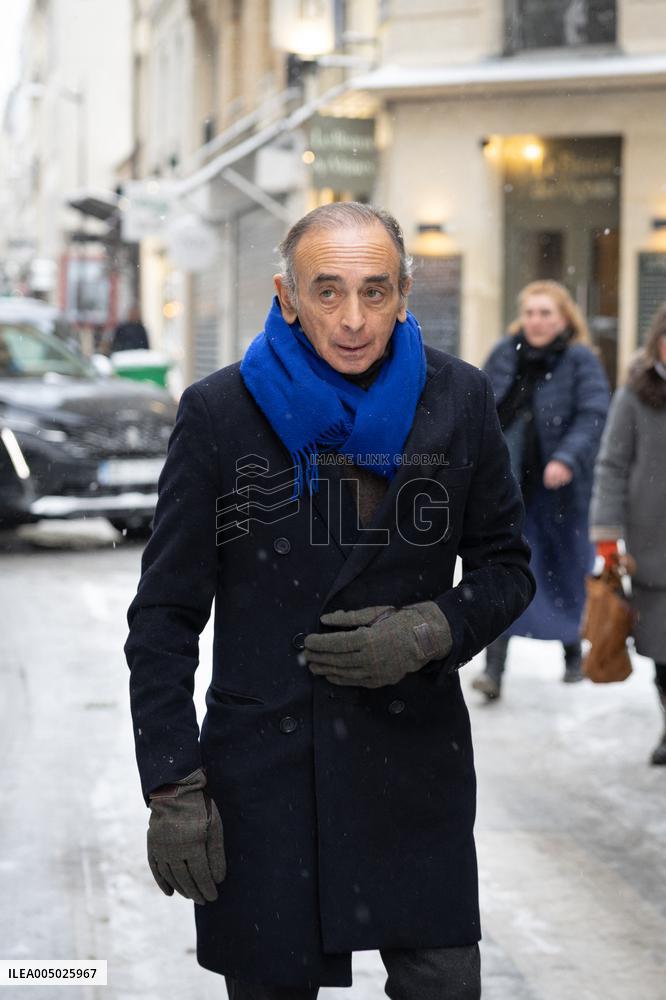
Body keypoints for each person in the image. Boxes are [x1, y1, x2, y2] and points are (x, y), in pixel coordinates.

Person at [124, 202, 535, 998]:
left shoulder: (458, 400)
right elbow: (165, 616)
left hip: (413, 767)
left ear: (405, 293)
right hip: (266, 777)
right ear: (287, 297)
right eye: (328, 291)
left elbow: (506, 567)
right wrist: (173, 783)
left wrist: (432, 629)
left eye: (375, 292)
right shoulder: (219, 414)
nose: (353, 319)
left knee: (445, 984)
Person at [472, 280, 609, 701]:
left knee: (564, 569)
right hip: (510, 486)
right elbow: (478, 405)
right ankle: (494, 671)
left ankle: (571, 654)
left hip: (562, 491)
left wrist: (566, 457)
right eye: (530, 312)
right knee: (506, 572)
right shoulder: (504, 352)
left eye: (546, 313)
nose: (536, 321)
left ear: (564, 318)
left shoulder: (580, 359)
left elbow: (593, 413)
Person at [589, 305, 666, 765]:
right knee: (662, 650)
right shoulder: (636, 394)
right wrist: (606, 534)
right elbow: (612, 465)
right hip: (652, 550)